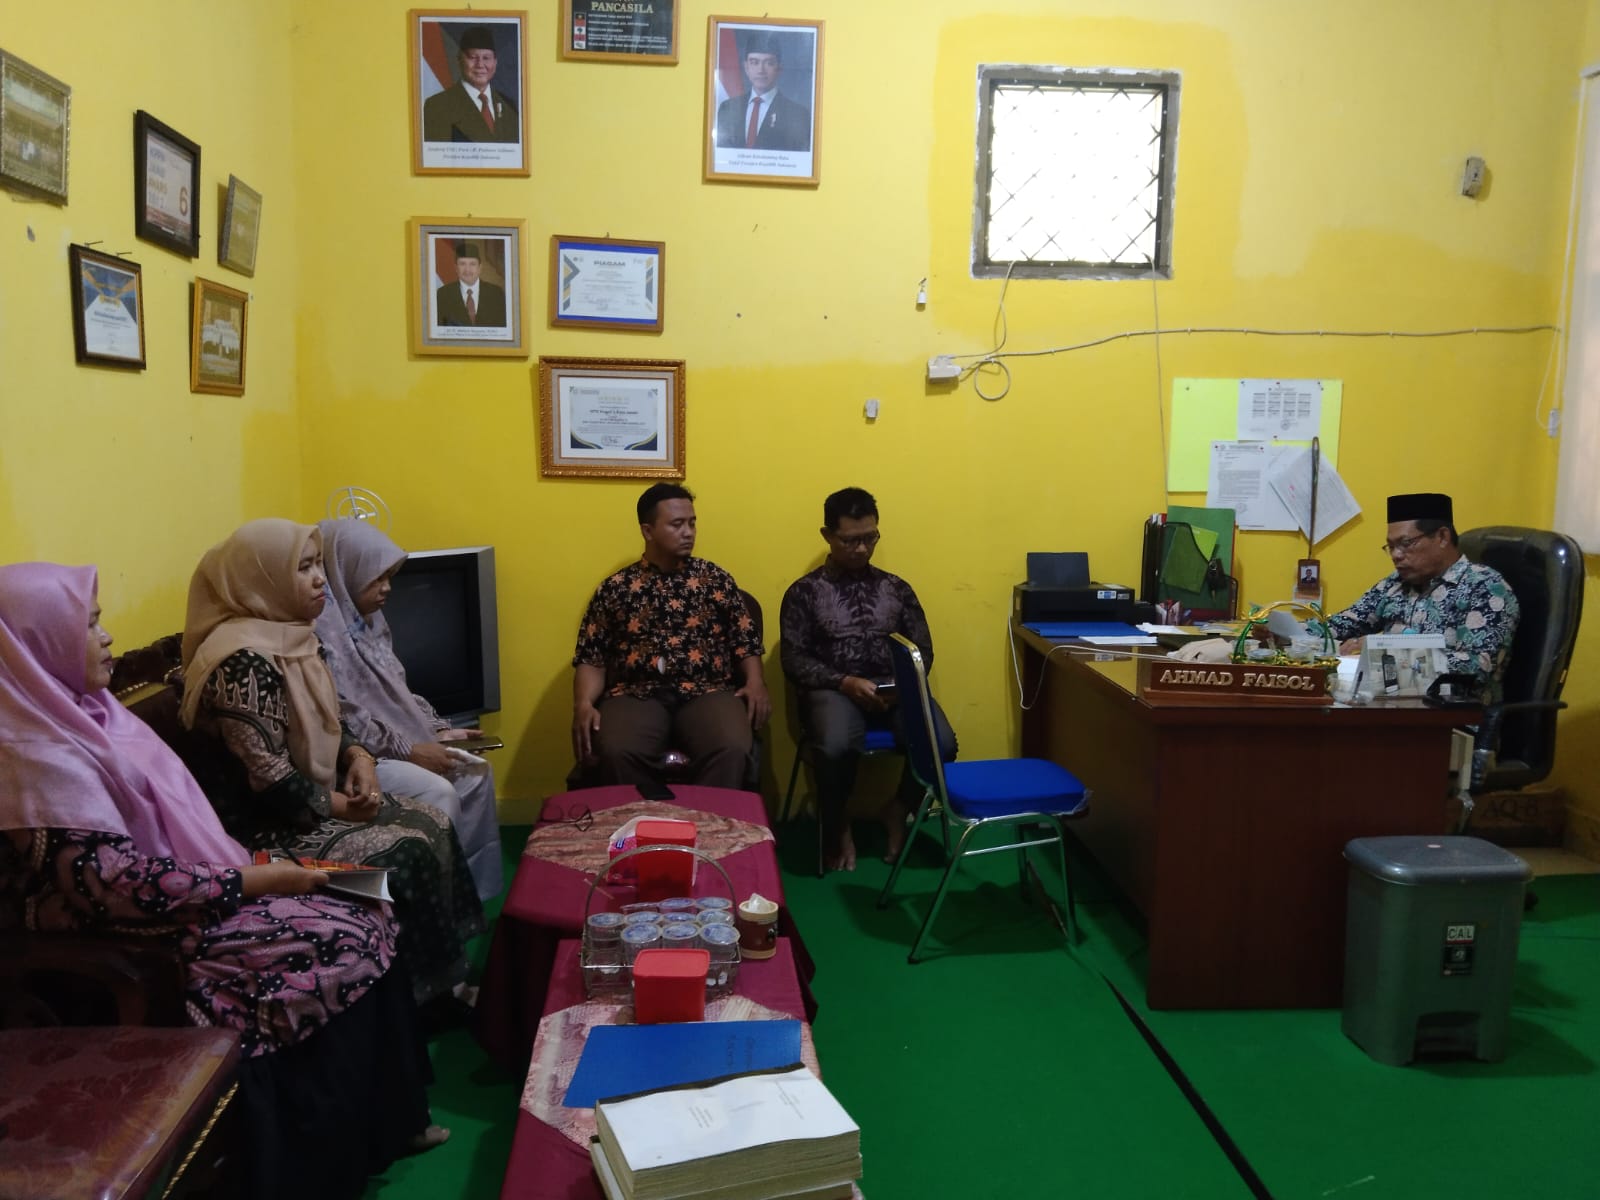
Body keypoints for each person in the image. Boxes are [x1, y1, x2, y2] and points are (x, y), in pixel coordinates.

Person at [0, 562, 448, 1200]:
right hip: (146, 936)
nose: (104, 638)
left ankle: (386, 1121)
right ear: (33, 642)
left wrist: (261, 868)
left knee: (366, 888)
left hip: (216, 872)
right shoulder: (30, 755)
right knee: (332, 934)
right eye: (90, 624)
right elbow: (119, 888)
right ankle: (316, 1169)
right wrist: (264, 881)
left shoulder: (85, 712)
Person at [179, 518, 485, 1008]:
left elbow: (333, 718)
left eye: (318, 564)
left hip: (305, 803)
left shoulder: (293, 637)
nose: (320, 578)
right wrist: (341, 805)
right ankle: (413, 999)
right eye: (303, 568)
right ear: (260, 579)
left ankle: (436, 981)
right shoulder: (241, 661)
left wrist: (359, 757)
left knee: (432, 821)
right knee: (405, 852)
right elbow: (269, 775)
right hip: (261, 833)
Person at [314, 517, 503, 901]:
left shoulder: (367, 622)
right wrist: (410, 749)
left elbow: (398, 688)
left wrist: (436, 729)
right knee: (438, 788)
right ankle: (440, 900)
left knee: (474, 771)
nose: (387, 590)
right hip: (354, 759)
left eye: (389, 577)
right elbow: (344, 714)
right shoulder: (319, 634)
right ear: (343, 568)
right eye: (376, 579)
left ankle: (474, 894)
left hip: (394, 743)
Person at [780, 488, 958, 872]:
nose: (861, 549)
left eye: (870, 538)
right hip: (835, 690)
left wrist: (901, 686)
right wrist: (844, 681)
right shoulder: (804, 593)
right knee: (834, 744)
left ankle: (898, 809)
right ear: (827, 535)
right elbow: (793, 659)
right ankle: (838, 822)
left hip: (894, 690)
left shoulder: (896, 588)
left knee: (941, 744)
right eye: (850, 540)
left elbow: (922, 650)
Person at [571, 483, 769, 790]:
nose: (688, 532)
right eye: (677, 524)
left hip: (708, 690)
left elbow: (745, 640)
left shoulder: (714, 580)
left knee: (730, 747)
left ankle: (711, 830)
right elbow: (592, 656)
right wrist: (583, 702)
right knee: (618, 750)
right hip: (636, 693)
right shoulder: (617, 588)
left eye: (692, 523)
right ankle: (642, 828)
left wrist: (756, 682)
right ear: (648, 531)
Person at [1322, 492, 1520, 699]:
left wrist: (1385, 656)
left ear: (1442, 537)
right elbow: (1345, 623)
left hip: (1452, 720)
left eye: (1406, 544)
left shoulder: (1485, 588)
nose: (1396, 555)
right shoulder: (1396, 584)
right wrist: (1292, 633)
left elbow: (1478, 666)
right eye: (1391, 546)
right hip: (1390, 707)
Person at [714, 33, 812, 152]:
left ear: (779, 68)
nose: (761, 70)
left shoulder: (798, 115)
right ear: (746, 67)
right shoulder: (727, 108)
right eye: (754, 62)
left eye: (769, 63)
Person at [422, 24, 518, 144]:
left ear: (495, 63)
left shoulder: (510, 106)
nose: (480, 65)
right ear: (459, 60)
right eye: (473, 57)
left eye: (486, 58)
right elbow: (436, 157)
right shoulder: (437, 106)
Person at [435, 241, 508, 328]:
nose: (467, 270)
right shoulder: (442, 294)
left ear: (480, 268)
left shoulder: (496, 293)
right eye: (462, 264)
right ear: (456, 268)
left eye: (472, 264)